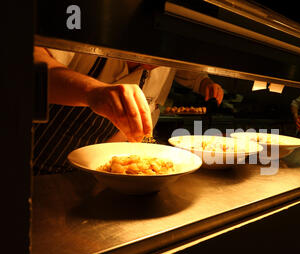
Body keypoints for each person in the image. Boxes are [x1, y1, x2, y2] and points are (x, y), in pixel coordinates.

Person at [32, 46, 224, 175]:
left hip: (97, 174)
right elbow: (31, 60)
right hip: (40, 168)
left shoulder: (168, 60)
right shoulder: (90, 26)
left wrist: (204, 81)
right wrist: (92, 91)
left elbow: (190, 71)